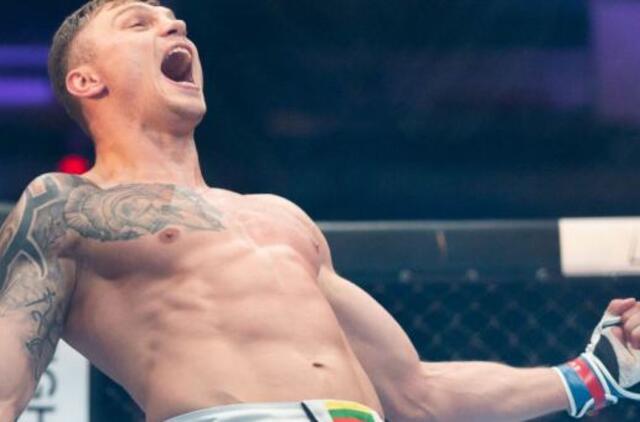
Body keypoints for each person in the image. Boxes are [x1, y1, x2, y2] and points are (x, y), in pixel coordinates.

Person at [1, 1, 639, 421]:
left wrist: (593, 374)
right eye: (139, 24)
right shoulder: (66, 205)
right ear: (86, 80)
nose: (176, 26)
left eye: (173, 20)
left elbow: (417, 393)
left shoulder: (281, 219)